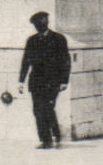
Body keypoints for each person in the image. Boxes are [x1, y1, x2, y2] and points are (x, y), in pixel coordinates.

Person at [18, 11, 71, 148]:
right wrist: (21, 81)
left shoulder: (58, 39)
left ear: (46, 23)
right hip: (36, 81)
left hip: (53, 81)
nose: (39, 26)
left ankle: (49, 139)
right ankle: (49, 137)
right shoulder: (32, 40)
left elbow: (65, 61)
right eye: (37, 24)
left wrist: (64, 81)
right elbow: (26, 61)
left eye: (42, 22)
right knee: (38, 110)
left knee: (47, 108)